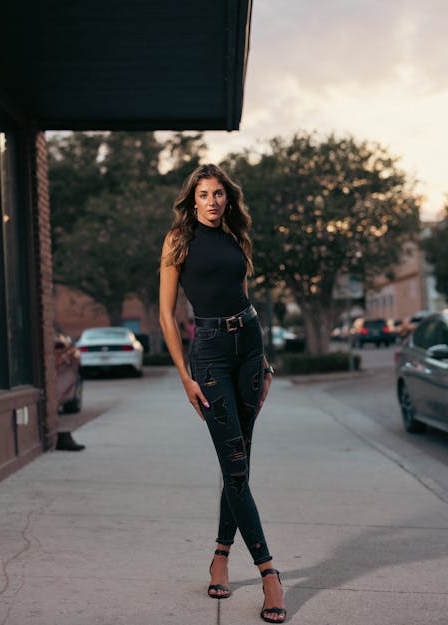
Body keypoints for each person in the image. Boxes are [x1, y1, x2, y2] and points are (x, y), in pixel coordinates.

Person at [159, 164, 286, 623]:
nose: (212, 201)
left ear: (227, 199)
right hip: (209, 354)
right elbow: (166, 316)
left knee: (240, 465)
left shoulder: (236, 238)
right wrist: (184, 376)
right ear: (192, 200)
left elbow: (245, 295)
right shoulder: (179, 240)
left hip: (248, 349)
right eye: (204, 194)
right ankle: (269, 573)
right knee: (234, 465)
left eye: (218, 194)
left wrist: (266, 361)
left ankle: (219, 555)